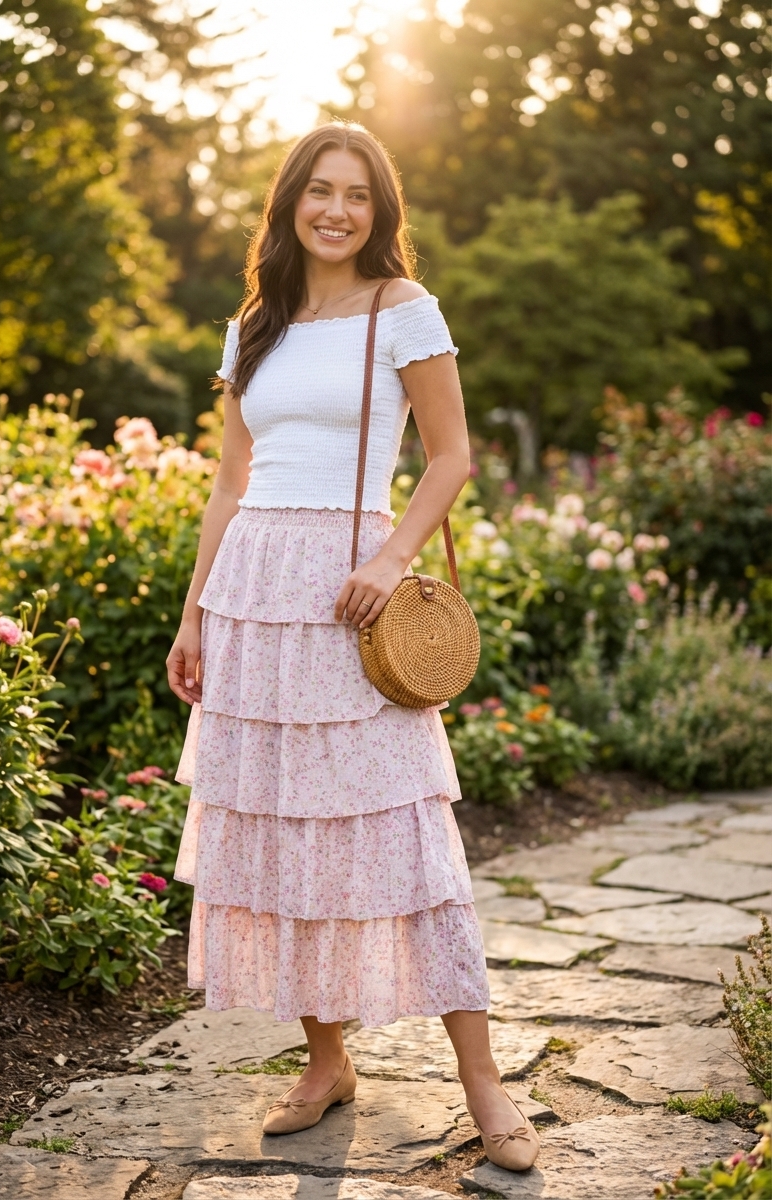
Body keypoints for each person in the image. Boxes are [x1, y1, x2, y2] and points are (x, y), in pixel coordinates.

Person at [166, 122, 539, 1172]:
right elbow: (229, 483)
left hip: (352, 594)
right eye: (318, 191)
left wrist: (390, 558)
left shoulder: (402, 311)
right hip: (252, 596)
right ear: (288, 202)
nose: (335, 210)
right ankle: (324, 1060)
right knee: (280, 837)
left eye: (357, 195)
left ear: (380, 212)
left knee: (407, 841)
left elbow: (451, 454)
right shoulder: (257, 325)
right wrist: (195, 613)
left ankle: (484, 1086)